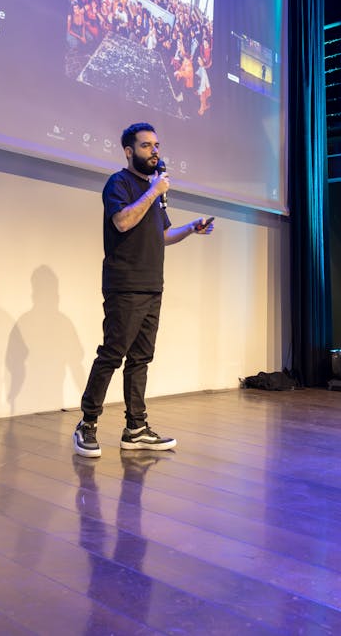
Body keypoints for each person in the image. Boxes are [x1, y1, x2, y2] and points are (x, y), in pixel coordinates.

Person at [73, 122, 214, 457]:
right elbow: (122, 222)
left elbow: (162, 236)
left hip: (152, 285)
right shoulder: (119, 183)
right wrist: (153, 192)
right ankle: (87, 424)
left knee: (141, 359)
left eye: (157, 145)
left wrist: (190, 228)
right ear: (129, 151)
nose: (155, 151)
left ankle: (136, 428)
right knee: (112, 354)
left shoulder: (155, 191)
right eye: (147, 145)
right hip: (125, 284)